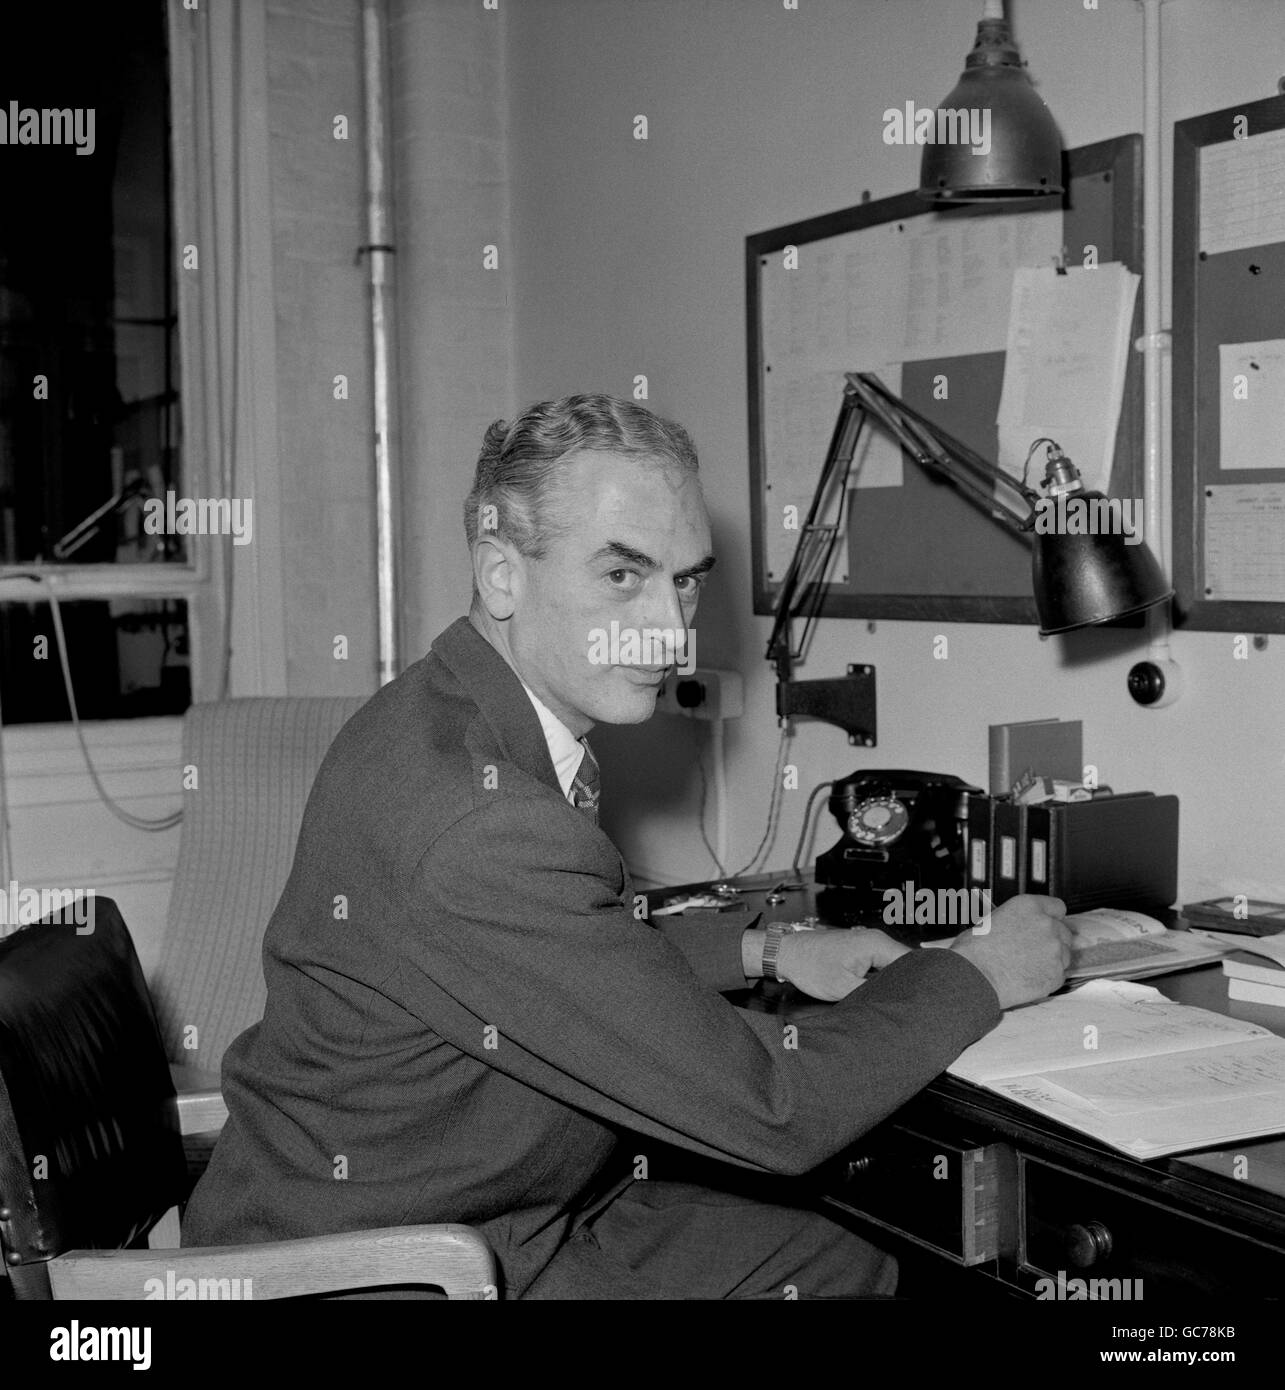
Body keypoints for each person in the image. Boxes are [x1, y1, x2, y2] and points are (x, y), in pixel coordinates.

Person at [183, 394, 1070, 1298]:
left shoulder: (450, 713)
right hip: (379, 1269)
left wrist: (766, 945)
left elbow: (567, 942)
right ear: (501, 575)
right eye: (621, 576)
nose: (672, 630)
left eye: (683, 579)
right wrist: (981, 972)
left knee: (835, 1260)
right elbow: (771, 1112)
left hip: (476, 1207)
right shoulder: (476, 823)